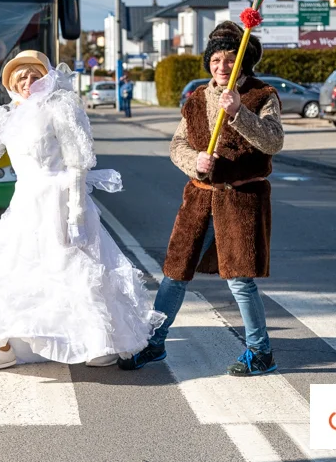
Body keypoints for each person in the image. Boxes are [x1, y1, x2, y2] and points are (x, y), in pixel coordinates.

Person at [0, 50, 165, 373]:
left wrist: (76, 212)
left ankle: (96, 342)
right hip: (26, 204)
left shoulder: (60, 107)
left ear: (46, 78)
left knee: (74, 272)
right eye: (20, 78)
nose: (28, 83)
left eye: (33, 76)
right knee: (4, 271)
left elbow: (78, 162)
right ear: (12, 85)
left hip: (60, 203)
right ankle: (1, 348)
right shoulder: (8, 115)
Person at [118, 21, 283, 377]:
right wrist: (196, 161)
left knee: (240, 278)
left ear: (242, 63)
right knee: (174, 272)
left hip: (240, 198)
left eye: (229, 60)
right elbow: (177, 145)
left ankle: (260, 350)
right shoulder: (195, 101)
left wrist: (239, 112)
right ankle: (154, 342)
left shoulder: (260, 95)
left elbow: (273, 141)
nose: (222, 67)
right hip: (199, 197)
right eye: (215, 61)